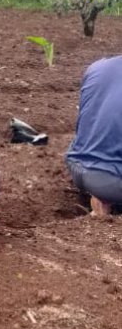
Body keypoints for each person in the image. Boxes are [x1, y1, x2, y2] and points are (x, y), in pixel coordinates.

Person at [65, 55, 122, 216]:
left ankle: (103, 199)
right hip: (112, 181)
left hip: (77, 165)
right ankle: (107, 196)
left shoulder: (97, 68)